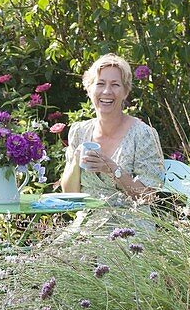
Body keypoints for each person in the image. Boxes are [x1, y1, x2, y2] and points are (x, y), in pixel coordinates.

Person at [58, 53, 164, 235]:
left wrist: (113, 169)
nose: (107, 91)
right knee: (48, 259)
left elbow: (148, 196)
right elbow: (70, 194)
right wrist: (76, 161)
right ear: (89, 89)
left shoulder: (143, 134)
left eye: (115, 85)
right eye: (100, 84)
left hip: (130, 228)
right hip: (86, 228)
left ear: (125, 92)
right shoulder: (79, 131)